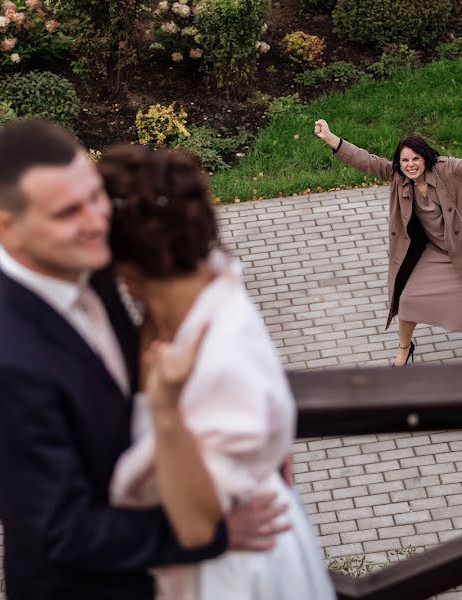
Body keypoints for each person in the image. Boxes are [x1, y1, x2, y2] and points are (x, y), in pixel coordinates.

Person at [0, 119, 290, 600]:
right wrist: (213, 529)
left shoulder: (86, 257)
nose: (96, 221)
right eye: (69, 211)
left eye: (95, 196)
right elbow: (66, 529)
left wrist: (253, 449)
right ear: (8, 229)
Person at [100, 144, 336, 600]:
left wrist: (166, 409)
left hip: (233, 570)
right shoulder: (198, 284)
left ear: (126, 268)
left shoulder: (222, 355)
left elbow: (195, 525)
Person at [314, 119, 462, 366]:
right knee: (407, 300)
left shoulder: (449, 171)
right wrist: (330, 138)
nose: (410, 165)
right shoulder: (398, 178)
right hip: (433, 253)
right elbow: (366, 160)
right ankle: (405, 348)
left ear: (425, 158)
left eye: (415, 159)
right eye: (404, 161)